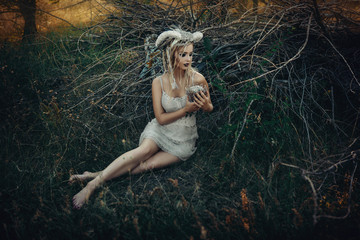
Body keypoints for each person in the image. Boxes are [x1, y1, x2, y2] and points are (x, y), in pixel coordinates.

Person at [69, 28, 213, 209]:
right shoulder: (159, 82)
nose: (188, 59)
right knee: (143, 152)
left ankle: (96, 175)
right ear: (170, 54)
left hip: (183, 139)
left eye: (191, 54)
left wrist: (206, 105)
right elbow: (160, 119)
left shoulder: (198, 79)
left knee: (145, 166)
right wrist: (185, 109)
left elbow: (209, 107)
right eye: (183, 54)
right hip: (161, 130)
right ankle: (92, 185)